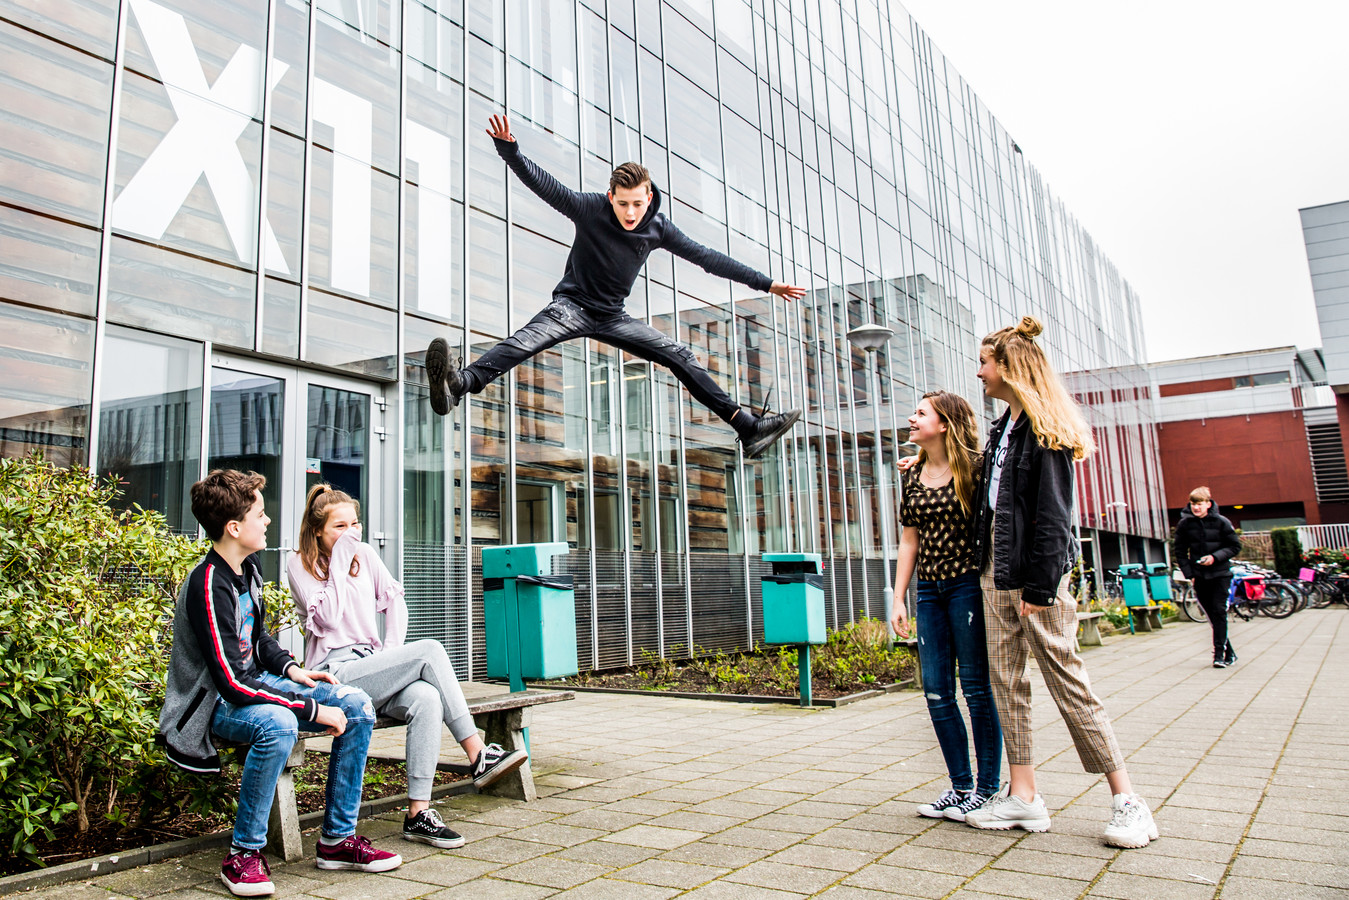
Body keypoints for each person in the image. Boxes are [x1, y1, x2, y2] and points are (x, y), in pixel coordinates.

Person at [424, 114, 806, 460]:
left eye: (637, 204)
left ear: (649, 199)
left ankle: (748, 427)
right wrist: (511, 152)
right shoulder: (591, 208)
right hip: (571, 307)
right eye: (622, 204)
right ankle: (459, 384)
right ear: (611, 197)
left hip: (612, 316)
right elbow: (548, 187)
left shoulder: (659, 228)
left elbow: (707, 258)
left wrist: (767, 283)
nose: (629, 213)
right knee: (526, 340)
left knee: (680, 357)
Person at [962, 316, 1158, 849]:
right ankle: (1023, 797)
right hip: (994, 575)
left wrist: (1040, 588)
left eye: (984, 362)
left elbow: (1052, 517)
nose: (978, 372)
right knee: (1008, 683)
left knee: (1068, 683)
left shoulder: (1043, 432)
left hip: (1032, 580)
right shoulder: (1003, 430)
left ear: (1010, 368)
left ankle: (1128, 802)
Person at [160, 470, 401, 898]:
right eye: (260, 513)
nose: (268, 521)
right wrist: (310, 709)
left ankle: (337, 841)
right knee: (279, 724)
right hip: (212, 703)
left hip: (255, 684)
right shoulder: (207, 583)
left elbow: (258, 639)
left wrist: (294, 671)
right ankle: (243, 855)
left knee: (357, 705)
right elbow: (232, 682)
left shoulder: (246, 568)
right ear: (235, 528)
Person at [287, 484, 529, 849]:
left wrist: (389, 653)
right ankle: (478, 752)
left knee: (427, 699)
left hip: (370, 665)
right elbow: (329, 619)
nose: (351, 533)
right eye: (339, 527)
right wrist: (339, 559)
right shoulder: (299, 564)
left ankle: (418, 813)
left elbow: (394, 601)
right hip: (332, 675)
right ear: (317, 530)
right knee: (430, 650)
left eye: (355, 524)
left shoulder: (365, 555)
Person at [890, 391, 1002, 823]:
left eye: (920, 413)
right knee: (936, 690)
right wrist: (899, 597)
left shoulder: (976, 468)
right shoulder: (913, 474)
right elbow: (909, 539)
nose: (912, 419)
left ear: (945, 423)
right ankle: (959, 787)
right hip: (929, 591)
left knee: (975, 689)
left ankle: (987, 789)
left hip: (967, 588)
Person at [1172, 486, 1242, 668]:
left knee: (1219, 611)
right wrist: (1190, 574)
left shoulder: (1222, 522)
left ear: (1208, 504)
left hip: (1220, 574)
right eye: (1193, 504)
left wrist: (1214, 557)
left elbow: (1234, 546)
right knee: (1212, 615)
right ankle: (1230, 653)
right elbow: (1179, 551)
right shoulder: (1185, 525)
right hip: (1199, 576)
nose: (1196, 508)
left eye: (1200, 504)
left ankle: (1219, 655)